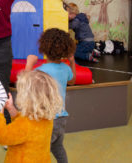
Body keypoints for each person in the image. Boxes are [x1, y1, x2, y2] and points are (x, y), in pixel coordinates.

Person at [25, 28, 76, 163]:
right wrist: (71, 61)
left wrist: (29, 63)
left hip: (48, 120)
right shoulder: (66, 69)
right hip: (61, 119)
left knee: (40, 151)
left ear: (44, 48)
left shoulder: (40, 71)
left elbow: (25, 85)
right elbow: (72, 80)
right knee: (58, 147)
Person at [0, 70, 63, 163]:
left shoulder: (25, 124)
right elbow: (23, 125)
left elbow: (2, 136)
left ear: (27, 98)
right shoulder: (46, 118)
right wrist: (11, 109)